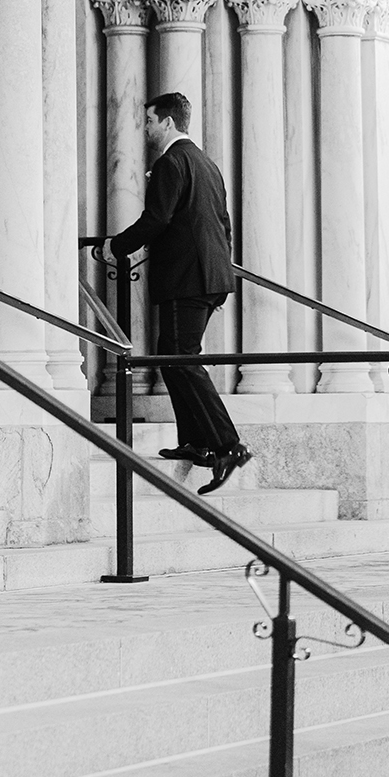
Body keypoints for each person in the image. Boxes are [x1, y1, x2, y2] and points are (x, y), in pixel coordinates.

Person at [109, 92, 251, 497]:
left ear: (168, 122)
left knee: (180, 359)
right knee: (170, 356)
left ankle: (228, 445)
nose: (148, 128)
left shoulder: (171, 162)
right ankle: (197, 441)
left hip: (185, 279)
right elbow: (224, 224)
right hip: (208, 277)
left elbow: (157, 218)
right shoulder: (207, 163)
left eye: (151, 121)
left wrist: (114, 247)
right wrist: (218, 274)